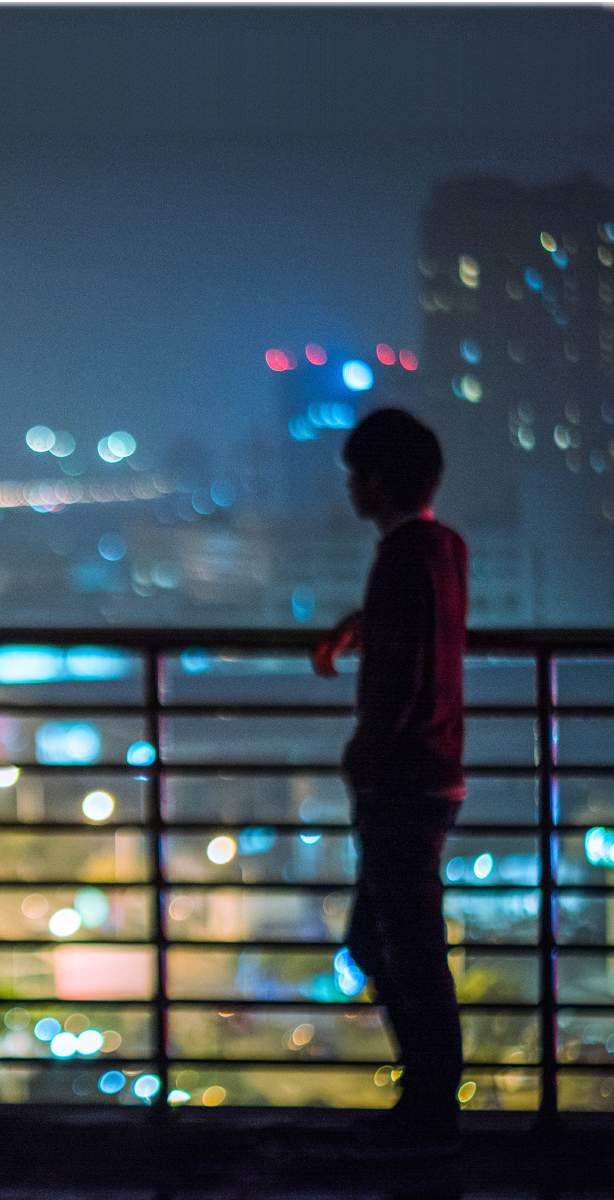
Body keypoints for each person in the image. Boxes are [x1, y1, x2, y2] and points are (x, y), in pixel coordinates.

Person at [313, 408, 468, 1154]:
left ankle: (432, 1104)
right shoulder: (444, 548)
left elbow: (402, 674)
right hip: (436, 774)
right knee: (391, 940)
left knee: (400, 945)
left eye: (355, 476)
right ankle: (428, 1097)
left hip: (402, 781)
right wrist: (361, 620)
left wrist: (366, 754)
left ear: (377, 481)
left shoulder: (401, 557)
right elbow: (423, 626)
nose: (350, 489)